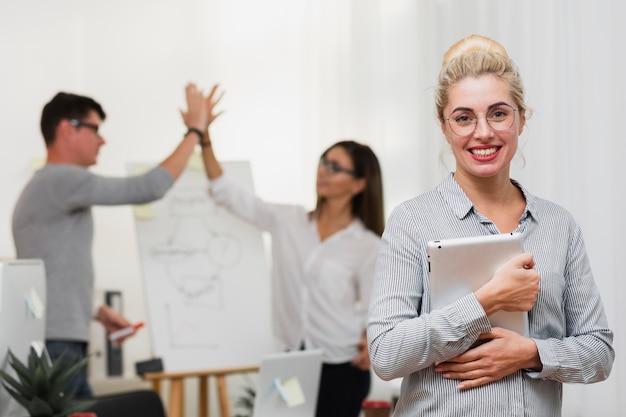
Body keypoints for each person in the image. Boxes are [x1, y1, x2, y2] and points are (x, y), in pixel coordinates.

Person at [367, 34, 615, 417]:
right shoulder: (412, 221)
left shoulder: (558, 225)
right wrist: (486, 302)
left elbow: (599, 352)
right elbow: (385, 354)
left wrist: (531, 354)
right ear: (444, 125)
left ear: (521, 117)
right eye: (464, 118)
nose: (483, 132)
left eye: (498, 113)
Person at [12, 84, 213, 399]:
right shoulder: (60, 180)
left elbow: (49, 276)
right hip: (58, 345)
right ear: (67, 129)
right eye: (95, 129)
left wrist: (96, 310)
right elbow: (147, 188)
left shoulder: (47, 187)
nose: (102, 139)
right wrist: (194, 132)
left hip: (56, 340)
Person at [196, 85, 385, 417]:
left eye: (336, 167)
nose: (323, 170)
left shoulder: (367, 244)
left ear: (358, 184)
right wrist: (204, 137)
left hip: (341, 369)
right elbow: (226, 193)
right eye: (324, 161)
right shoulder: (289, 220)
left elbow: (377, 307)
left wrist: (373, 341)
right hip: (291, 361)